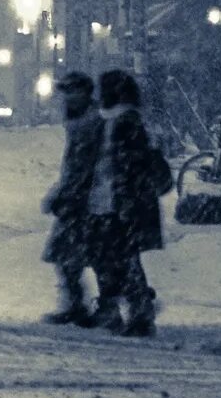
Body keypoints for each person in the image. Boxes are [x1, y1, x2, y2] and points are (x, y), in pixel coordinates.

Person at [88, 70, 168, 337]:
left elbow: (125, 166)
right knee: (118, 257)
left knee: (117, 258)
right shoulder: (126, 120)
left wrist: (123, 199)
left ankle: (135, 311)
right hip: (117, 201)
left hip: (116, 202)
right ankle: (132, 309)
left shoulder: (123, 122)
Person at [39, 71, 105, 325]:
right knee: (70, 255)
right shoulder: (80, 121)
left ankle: (99, 305)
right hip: (79, 199)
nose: (66, 97)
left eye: (71, 91)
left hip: (87, 200)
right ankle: (77, 303)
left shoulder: (91, 123)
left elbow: (85, 166)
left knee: (89, 255)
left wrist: (67, 192)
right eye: (64, 91)